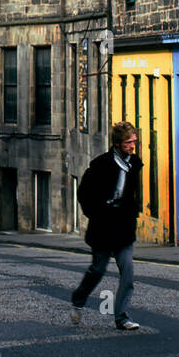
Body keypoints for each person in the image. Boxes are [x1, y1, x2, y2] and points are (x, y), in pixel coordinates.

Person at [71, 121, 143, 331]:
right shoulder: (100, 165)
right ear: (118, 143)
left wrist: (131, 211)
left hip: (124, 227)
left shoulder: (134, 164)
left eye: (134, 141)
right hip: (103, 227)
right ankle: (78, 300)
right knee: (98, 270)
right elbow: (83, 193)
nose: (132, 145)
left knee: (127, 273)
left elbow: (131, 195)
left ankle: (121, 317)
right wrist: (96, 213)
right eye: (129, 142)